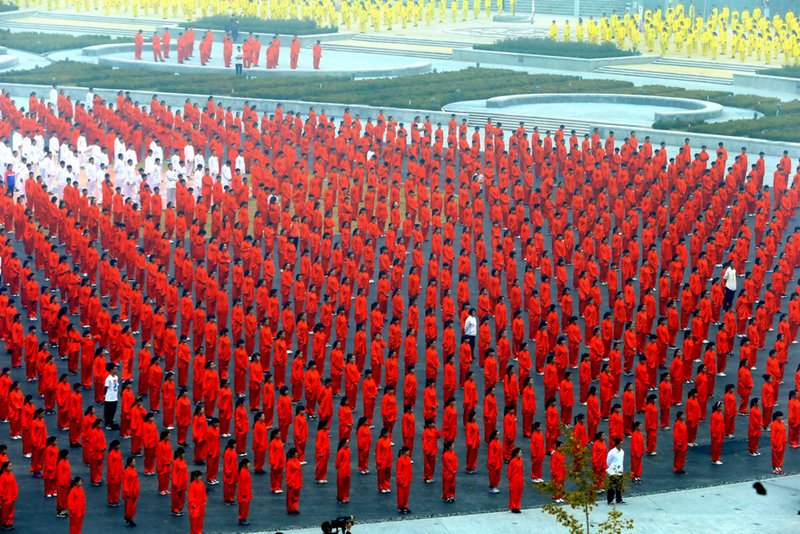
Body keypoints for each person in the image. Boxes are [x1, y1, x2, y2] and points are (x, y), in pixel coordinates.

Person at [605, 438, 625, 504]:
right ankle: (610, 500)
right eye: (621, 443)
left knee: (619, 486)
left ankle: (618, 499)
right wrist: (612, 468)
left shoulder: (622, 451)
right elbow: (608, 461)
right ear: (617, 444)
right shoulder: (612, 452)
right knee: (611, 486)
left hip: (620, 471)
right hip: (613, 472)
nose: (622, 444)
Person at [122, 456, 139, 527]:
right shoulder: (127, 471)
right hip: (130, 492)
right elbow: (125, 483)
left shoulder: (133, 470)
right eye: (133, 461)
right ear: (130, 463)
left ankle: (130, 518)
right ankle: (129, 519)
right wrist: (126, 492)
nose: (135, 463)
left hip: (134, 491)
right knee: (129, 507)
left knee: (133, 506)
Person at [507, 447, 523, 513]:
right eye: (520, 452)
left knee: (519, 494)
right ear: (516, 454)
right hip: (514, 480)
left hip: (520, 480)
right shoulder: (512, 461)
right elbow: (509, 472)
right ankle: (513, 507)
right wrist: (511, 479)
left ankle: (517, 506)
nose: (521, 454)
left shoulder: (521, 461)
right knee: (514, 494)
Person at [396, 445, 412, 514]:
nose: (409, 452)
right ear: (404, 452)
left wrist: (410, 477)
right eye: (408, 451)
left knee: (406, 494)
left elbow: (410, 469)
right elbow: (398, 471)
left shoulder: (408, 459)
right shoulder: (400, 460)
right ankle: (400, 507)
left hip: (407, 479)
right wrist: (400, 480)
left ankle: (405, 506)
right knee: (401, 495)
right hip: (402, 480)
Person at [286, 447, 302, 514]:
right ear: (293, 454)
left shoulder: (297, 461)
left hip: (297, 481)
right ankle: (290, 509)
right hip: (292, 482)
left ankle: (295, 508)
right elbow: (288, 474)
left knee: (296, 497)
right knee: (290, 497)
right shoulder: (289, 463)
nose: (297, 453)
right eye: (296, 452)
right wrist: (289, 483)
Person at [104, 363, 119, 429]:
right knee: (108, 412)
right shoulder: (108, 378)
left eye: (116, 369)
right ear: (111, 370)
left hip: (115, 397)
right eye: (115, 369)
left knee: (113, 411)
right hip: (109, 398)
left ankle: (110, 421)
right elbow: (106, 388)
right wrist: (105, 395)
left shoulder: (116, 377)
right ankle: (107, 424)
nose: (116, 370)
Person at [237, 459, 252, 526]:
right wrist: (244, 494)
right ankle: (241, 519)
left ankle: (243, 518)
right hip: (244, 493)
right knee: (243, 507)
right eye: (248, 463)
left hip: (246, 492)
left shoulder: (244, 471)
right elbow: (243, 484)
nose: (249, 465)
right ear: (244, 465)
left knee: (245, 507)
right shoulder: (243, 472)